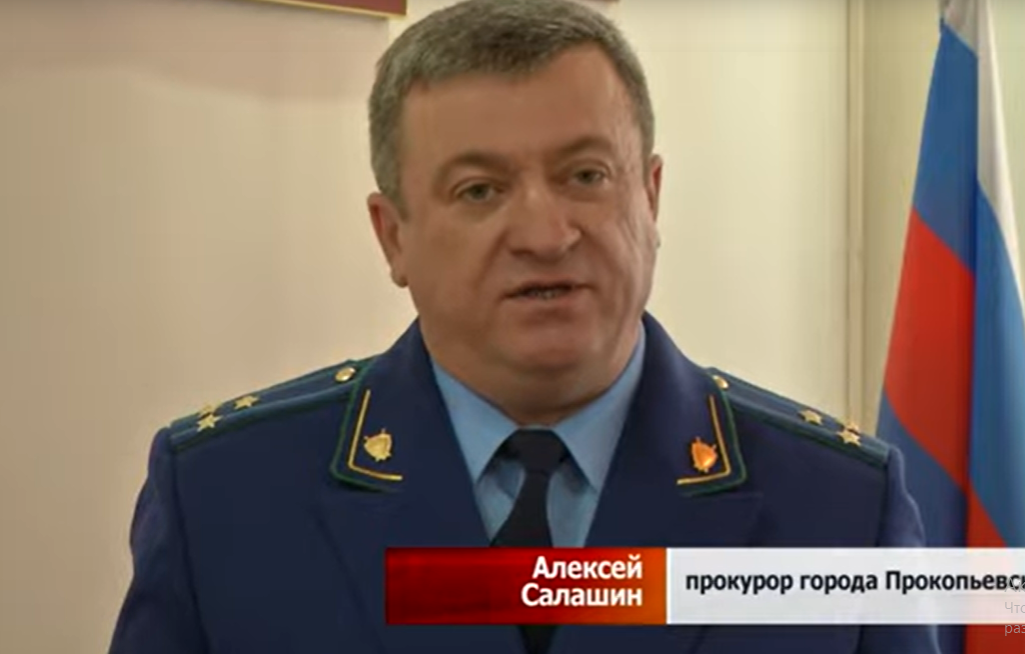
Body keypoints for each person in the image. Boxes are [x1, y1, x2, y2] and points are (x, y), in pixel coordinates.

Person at [109, 0, 940, 652]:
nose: (545, 234)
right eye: (479, 190)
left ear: (649, 198)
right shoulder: (225, 495)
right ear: (392, 237)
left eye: (586, 175)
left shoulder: (837, 508)